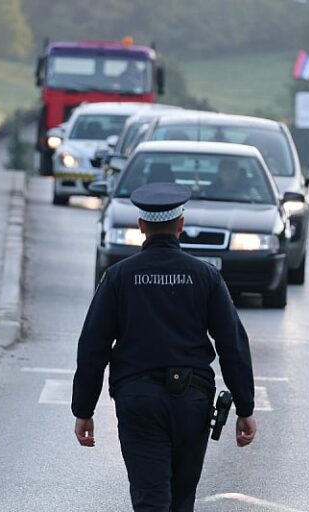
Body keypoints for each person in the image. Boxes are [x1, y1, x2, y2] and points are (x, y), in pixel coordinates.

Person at [72, 182, 257, 512]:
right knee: (181, 500)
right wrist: (245, 407)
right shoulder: (206, 276)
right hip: (192, 403)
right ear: (181, 225)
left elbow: (93, 347)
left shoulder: (118, 277)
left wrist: (83, 410)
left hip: (138, 402)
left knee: (150, 499)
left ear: (141, 227)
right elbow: (232, 344)